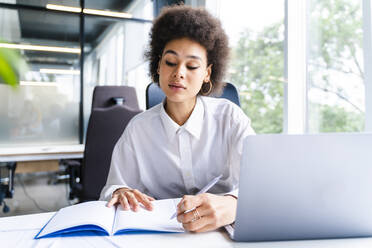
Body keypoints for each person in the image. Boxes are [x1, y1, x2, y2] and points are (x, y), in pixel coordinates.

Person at [100, 5, 255, 233]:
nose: (179, 73)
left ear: (207, 74)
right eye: (170, 62)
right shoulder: (138, 129)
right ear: (158, 66)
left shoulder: (230, 118)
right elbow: (114, 186)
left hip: (223, 232)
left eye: (192, 65)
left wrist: (233, 203)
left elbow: (261, 185)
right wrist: (120, 192)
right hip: (160, 234)